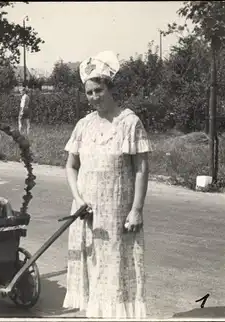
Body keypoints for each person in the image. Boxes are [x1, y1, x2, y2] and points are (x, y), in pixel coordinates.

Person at [62, 50, 152, 318]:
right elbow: (71, 166)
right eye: (89, 92)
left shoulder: (129, 122)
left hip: (116, 213)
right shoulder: (83, 125)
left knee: (115, 267)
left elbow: (141, 168)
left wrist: (136, 209)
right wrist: (77, 198)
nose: (93, 97)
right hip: (86, 211)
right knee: (92, 265)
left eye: (98, 90)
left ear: (110, 88)